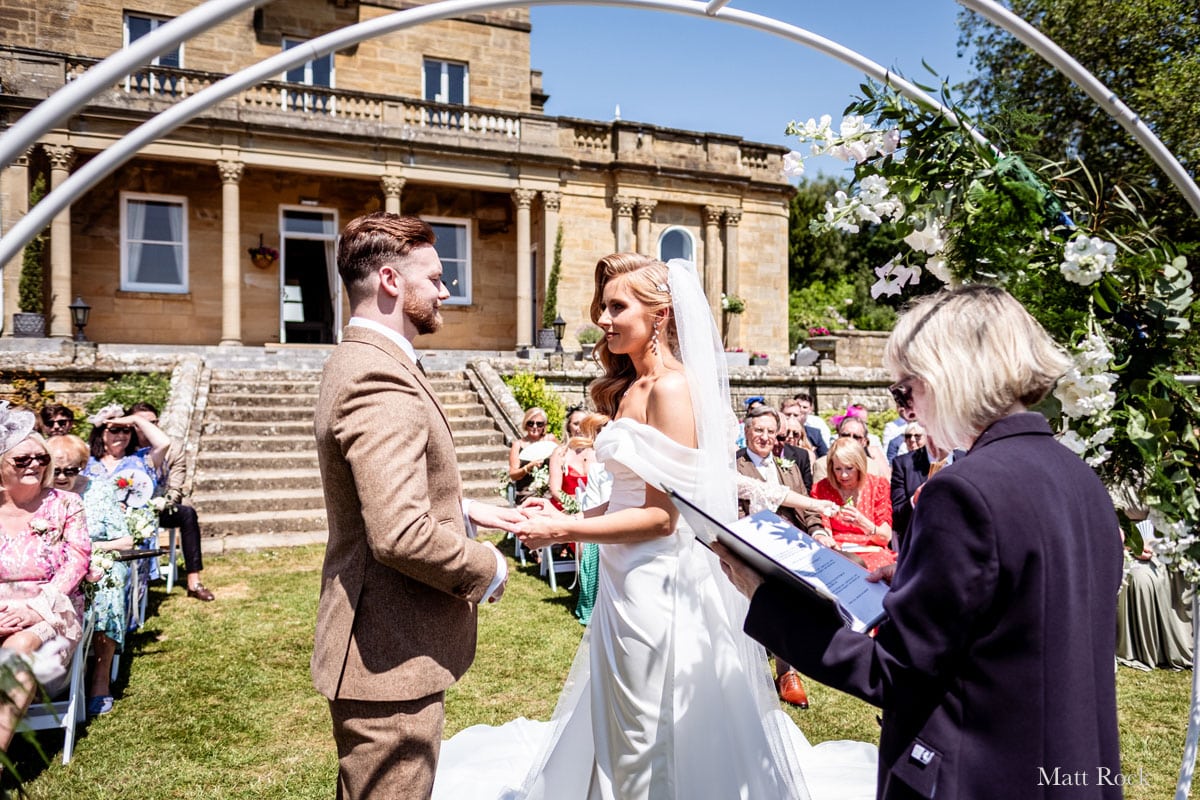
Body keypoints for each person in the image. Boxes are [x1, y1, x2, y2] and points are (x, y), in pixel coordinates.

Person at [431, 254, 876, 800]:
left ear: (660, 315)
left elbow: (663, 518)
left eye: (618, 307)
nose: (604, 318)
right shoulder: (631, 388)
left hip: (657, 585)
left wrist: (565, 531)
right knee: (619, 719)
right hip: (622, 579)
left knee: (645, 728)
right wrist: (557, 517)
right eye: (603, 307)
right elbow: (626, 497)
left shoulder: (671, 389)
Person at [719, 285, 1124, 799]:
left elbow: (894, 673)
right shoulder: (1078, 476)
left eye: (905, 393)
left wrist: (766, 597)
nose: (907, 412)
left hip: (974, 774)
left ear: (948, 379)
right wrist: (913, 573)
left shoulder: (962, 491)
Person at [311, 212, 526, 800]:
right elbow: (399, 533)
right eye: (433, 277)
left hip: (382, 648)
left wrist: (463, 507)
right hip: (387, 658)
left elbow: (380, 492)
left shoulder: (364, 360)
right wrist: (489, 569)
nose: (445, 291)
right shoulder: (378, 378)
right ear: (389, 280)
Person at [735, 402, 838, 709]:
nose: (765, 437)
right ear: (747, 431)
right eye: (759, 431)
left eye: (770, 432)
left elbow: (806, 505)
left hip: (789, 545)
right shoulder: (733, 466)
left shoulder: (788, 466)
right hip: (746, 544)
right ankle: (765, 669)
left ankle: (787, 672)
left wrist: (818, 530)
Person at [0, 405, 90, 751]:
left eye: (41, 458)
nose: (35, 464)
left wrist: (36, 610)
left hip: (52, 611)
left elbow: (78, 562)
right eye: (22, 460)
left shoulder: (66, 504)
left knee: (18, 649)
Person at [46, 434, 132, 716]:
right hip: (51, 566)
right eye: (55, 470)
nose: (61, 476)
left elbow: (125, 541)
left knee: (107, 586)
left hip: (95, 560)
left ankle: (99, 679)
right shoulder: (39, 495)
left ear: (81, 466)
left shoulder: (99, 490)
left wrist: (87, 548)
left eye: (70, 470)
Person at [128, 402, 214, 601]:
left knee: (187, 513)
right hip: (127, 509)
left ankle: (194, 581)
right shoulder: (125, 447)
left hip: (159, 507)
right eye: (141, 423)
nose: (149, 427)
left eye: (153, 422)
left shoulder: (173, 450)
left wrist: (163, 502)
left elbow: (175, 487)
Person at [810, 437, 895, 572]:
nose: (843, 475)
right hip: (839, 551)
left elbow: (885, 538)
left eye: (849, 468)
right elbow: (825, 529)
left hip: (872, 550)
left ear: (859, 466)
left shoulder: (878, 486)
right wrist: (827, 540)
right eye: (838, 469)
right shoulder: (822, 488)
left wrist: (862, 522)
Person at [889, 423, 961, 550]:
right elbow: (896, 516)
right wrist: (915, 500)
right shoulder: (904, 464)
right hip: (920, 542)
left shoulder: (967, 458)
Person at [508, 407, 558, 504]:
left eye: (539, 424)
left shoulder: (550, 439)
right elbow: (513, 475)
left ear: (544, 426)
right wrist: (528, 467)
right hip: (525, 494)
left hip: (548, 494)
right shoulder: (518, 445)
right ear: (525, 425)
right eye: (531, 423)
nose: (535, 427)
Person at [547, 406, 593, 508]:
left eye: (584, 423)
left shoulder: (598, 452)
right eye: (576, 424)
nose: (580, 428)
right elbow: (555, 490)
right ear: (568, 427)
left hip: (596, 508)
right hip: (565, 508)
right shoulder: (560, 453)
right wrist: (576, 505)